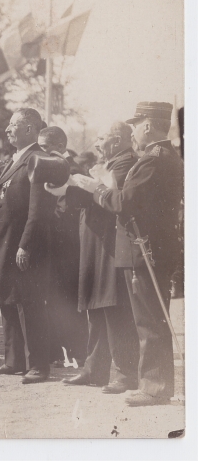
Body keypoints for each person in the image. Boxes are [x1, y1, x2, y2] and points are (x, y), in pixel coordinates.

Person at [70, 102, 183, 406]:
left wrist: (97, 188)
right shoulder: (158, 157)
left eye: (136, 124)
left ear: (148, 125)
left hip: (146, 249)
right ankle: (153, 384)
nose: (133, 131)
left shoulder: (154, 160)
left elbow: (125, 202)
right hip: (147, 247)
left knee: (149, 322)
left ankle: (155, 388)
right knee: (149, 320)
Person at [48, 121, 140, 394]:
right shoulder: (111, 162)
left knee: (114, 307)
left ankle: (124, 373)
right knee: (97, 307)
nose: (98, 144)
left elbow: (111, 197)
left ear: (117, 140)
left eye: (102, 138)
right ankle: (94, 369)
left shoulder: (125, 163)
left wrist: (90, 184)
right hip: (96, 242)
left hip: (109, 244)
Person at [0, 108, 56, 384]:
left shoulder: (39, 159)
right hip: (6, 241)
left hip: (22, 244)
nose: (7, 130)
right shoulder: (19, 159)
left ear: (29, 129)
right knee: (8, 300)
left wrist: (26, 244)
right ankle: (13, 361)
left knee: (30, 304)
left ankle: (38, 365)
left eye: (12, 125)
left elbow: (39, 211)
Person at [37, 126, 88, 366]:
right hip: (55, 245)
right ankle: (58, 353)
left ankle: (79, 353)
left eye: (45, 148)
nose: (41, 153)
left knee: (68, 300)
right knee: (54, 299)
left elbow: (67, 211)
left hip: (68, 247)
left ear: (58, 147)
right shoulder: (54, 168)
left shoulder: (73, 169)